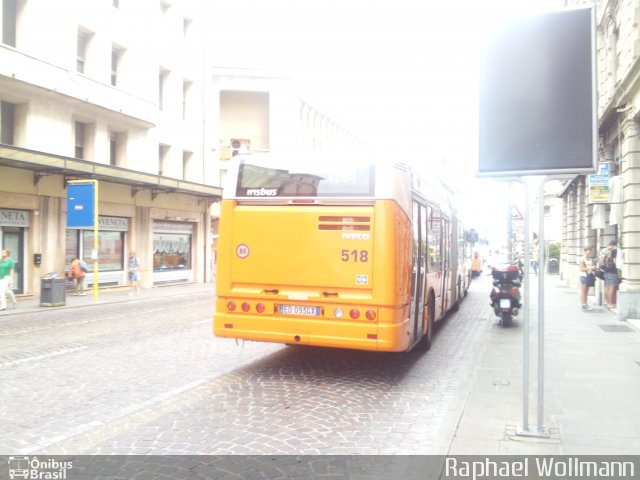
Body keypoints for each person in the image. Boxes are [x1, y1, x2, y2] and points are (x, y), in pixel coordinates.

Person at [578, 246, 595, 310]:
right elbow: (581, 269)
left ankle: (585, 304)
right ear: (585, 251)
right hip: (584, 276)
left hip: (589, 275)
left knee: (586, 291)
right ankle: (583, 304)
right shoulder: (582, 259)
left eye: (590, 250)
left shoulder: (590, 259)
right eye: (588, 250)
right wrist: (590, 268)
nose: (589, 252)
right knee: (583, 291)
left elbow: (590, 266)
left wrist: (593, 268)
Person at [603, 240, 618, 308]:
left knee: (607, 286)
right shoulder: (614, 250)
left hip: (605, 270)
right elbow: (615, 261)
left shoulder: (605, 250)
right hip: (612, 270)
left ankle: (606, 302)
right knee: (612, 286)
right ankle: (610, 303)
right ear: (614, 245)